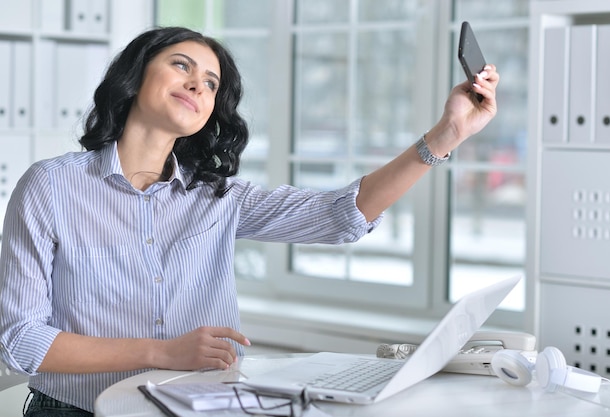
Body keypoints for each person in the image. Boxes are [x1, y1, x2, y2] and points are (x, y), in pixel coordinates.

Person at [0, 26, 499, 415]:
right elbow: (21, 340)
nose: (198, 83)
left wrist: (446, 134)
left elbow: (338, 215)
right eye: (181, 66)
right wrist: (161, 352)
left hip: (199, 406)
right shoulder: (50, 187)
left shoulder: (219, 197)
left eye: (211, 83)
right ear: (134, 76)